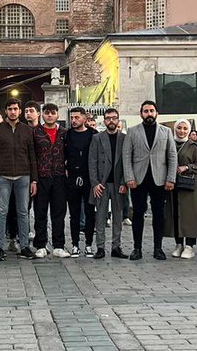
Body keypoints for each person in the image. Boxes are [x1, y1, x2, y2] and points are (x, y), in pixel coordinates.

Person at [123, 100, 178, 261]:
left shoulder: (166, 132)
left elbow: (172, 156)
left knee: (159, 214)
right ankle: (137, 248)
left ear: (156, 113)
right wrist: (129, 177)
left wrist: (171, 178)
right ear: (141, 114)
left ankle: (158, 248)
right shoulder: (132, 132)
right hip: (138, 180)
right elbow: (126, 157)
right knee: (138, 213)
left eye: (151, 111)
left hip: (159, 179)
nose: (149, 114)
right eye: (146, 111)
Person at [0, 98, 37, 261]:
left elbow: (32, 156)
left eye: (16, 108)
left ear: (20, 111)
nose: (13, 112)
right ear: (5, 111)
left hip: (23, 176)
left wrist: (34, 180)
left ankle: (24, 247)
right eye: (10, 109)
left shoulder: (27, 130)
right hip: (2, 176)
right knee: (1, 212)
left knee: (23, 212)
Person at [31, 104, 69, 258]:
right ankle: (40, 244)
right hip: (41, 176)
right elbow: (32, 156)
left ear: (57, 115)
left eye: (53, 113)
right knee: (40, 211)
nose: (50, 116)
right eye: (47, 113)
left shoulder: (64, 133)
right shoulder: (35, 132)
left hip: (59, 176)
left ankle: (58, 245)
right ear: (42, 115)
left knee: (58, 212)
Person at [89, 107, 127, 260]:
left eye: (114, 118)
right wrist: (95, 183)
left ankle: (116, 246)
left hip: (118, 183)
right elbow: (92, 162)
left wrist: (125, 182)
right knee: (101, 216)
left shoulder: (124, 138)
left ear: (118, 120)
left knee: (118, 216)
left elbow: (127, 162)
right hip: (102, 184)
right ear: (104, 121)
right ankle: (100, 247)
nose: (111, 121)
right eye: (108, 118)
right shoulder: (97, 138)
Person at [166, 119, 197, 258]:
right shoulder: (169, 144)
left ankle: (189, 245)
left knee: (189, 215)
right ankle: (179, 244)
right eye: (179, 128)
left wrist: (187, 167)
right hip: (173, 185)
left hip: (189, 186)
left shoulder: (193, 146)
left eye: (184, 128)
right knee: (175, 214)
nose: (182, 131)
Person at [63, 107, 95, 257]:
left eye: (76, 117)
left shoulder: (93, 135)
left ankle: (89, 244)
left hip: (89, 178)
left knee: (90, 212)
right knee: (74, 213)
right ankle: (75, 244)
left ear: (84, 118)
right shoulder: (67, 135)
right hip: (72, 178)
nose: (73, 120)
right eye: (72, 118)